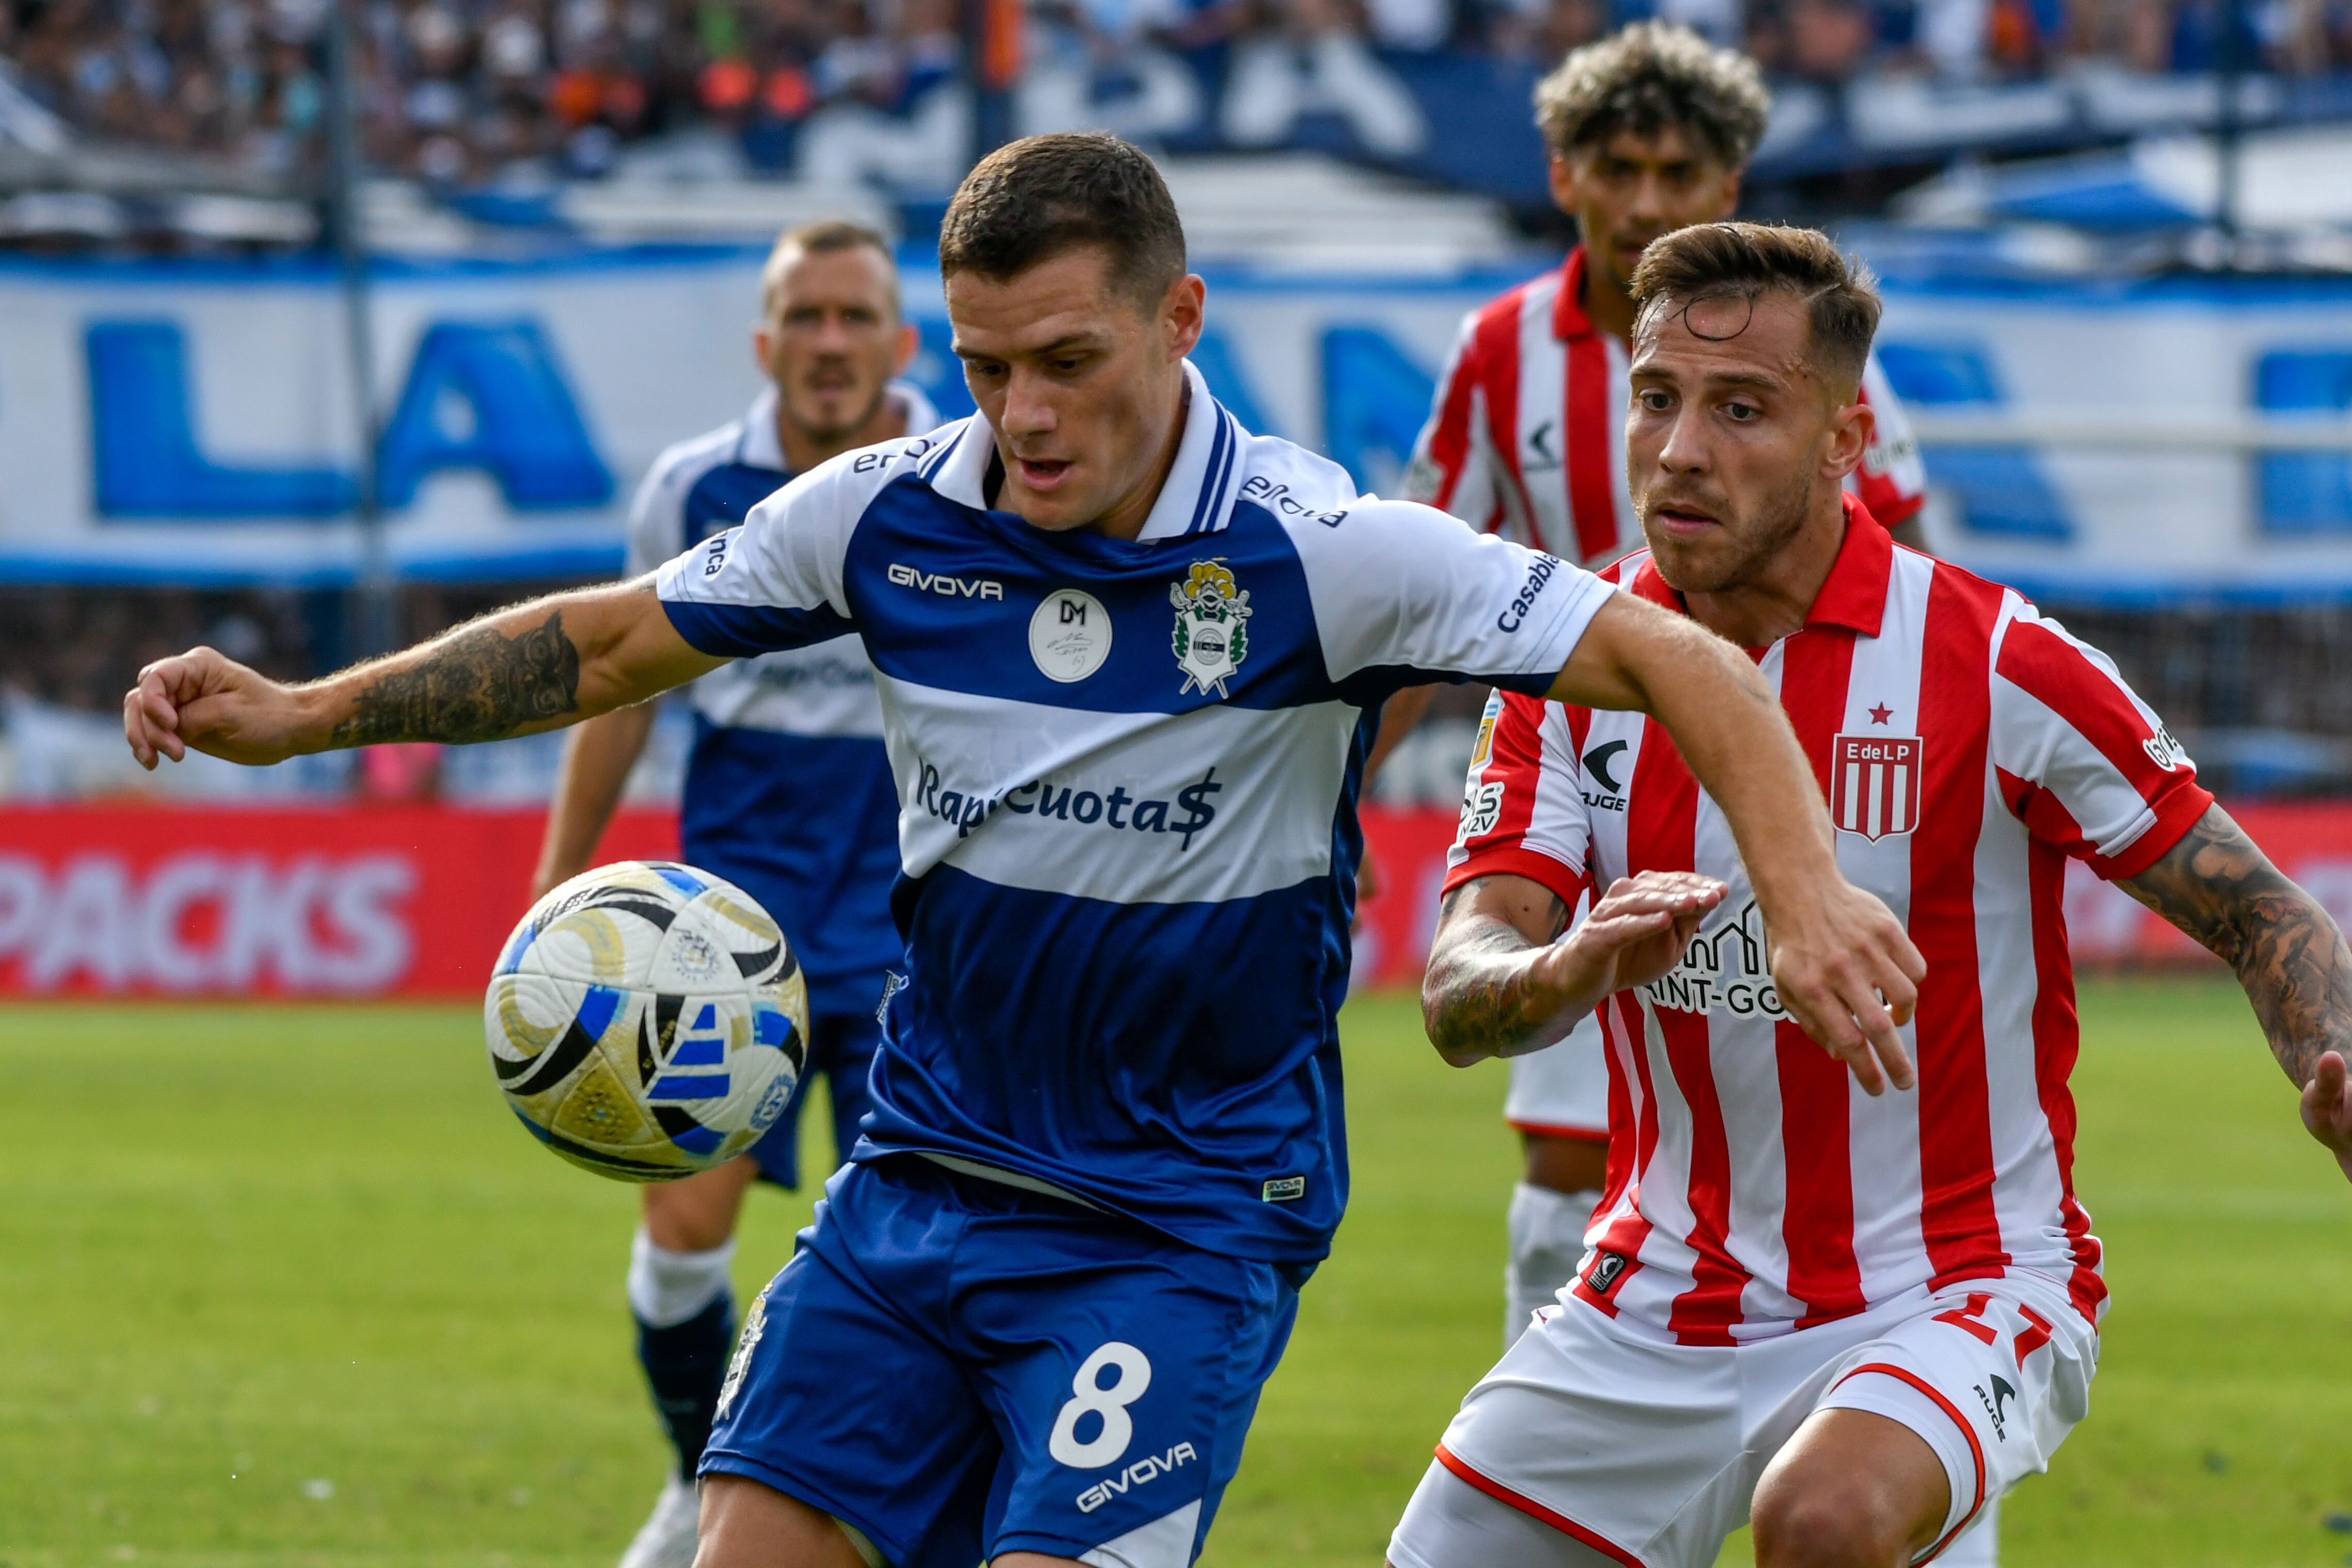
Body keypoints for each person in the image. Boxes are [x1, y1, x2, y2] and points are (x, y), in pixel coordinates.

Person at [123, 135, 1927, 1568]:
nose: (1028, 417)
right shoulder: (893, 514)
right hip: (920, 1185)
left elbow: (1679, 655)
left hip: (1181, 1217)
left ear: (1179, 318)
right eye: (990, 369)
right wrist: (299, 715)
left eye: (1070, 362)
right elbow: (605, 645)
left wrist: (1806, 890)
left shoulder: (1325, 551)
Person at [1385, 221, 2352, 1568]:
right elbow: (1459, 985)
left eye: (1741, 410)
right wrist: (1557, 973)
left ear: (1845, 441)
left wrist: (2338, 1058)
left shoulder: (2004, 664)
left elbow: (2264, 914)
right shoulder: (1567, 670)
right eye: (1656, 400)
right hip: (1651, 1299)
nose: (1679, 451)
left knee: (1825, 1519)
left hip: (1957, 1289)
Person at [1397, 16, 1929, 1445]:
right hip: (1585, 784)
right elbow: (1418, 580)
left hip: (1788, 799)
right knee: (1571, 1159)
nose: (1643, 200)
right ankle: (1574, 1456)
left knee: (1819, 1161)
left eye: (1675, 167)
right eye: (1615, 166)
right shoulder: (1502, 350)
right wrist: (1332, 795)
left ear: (1733, 172)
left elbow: (1903, 572)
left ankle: (1839, 1431)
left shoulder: (1812, 356)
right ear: (1562, 170)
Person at [526, 219, 937, 1568]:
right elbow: (618, 687)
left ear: (900, 340)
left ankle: (887, 1508)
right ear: (766, 343)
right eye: (803, 318)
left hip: (916, 923)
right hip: (726, 932)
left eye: (853, 318)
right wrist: (557, 881)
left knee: (921, 1238)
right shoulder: (692, 489)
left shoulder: (966, 476)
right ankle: (696, 1469)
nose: (828, 344)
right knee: (685, 1220)